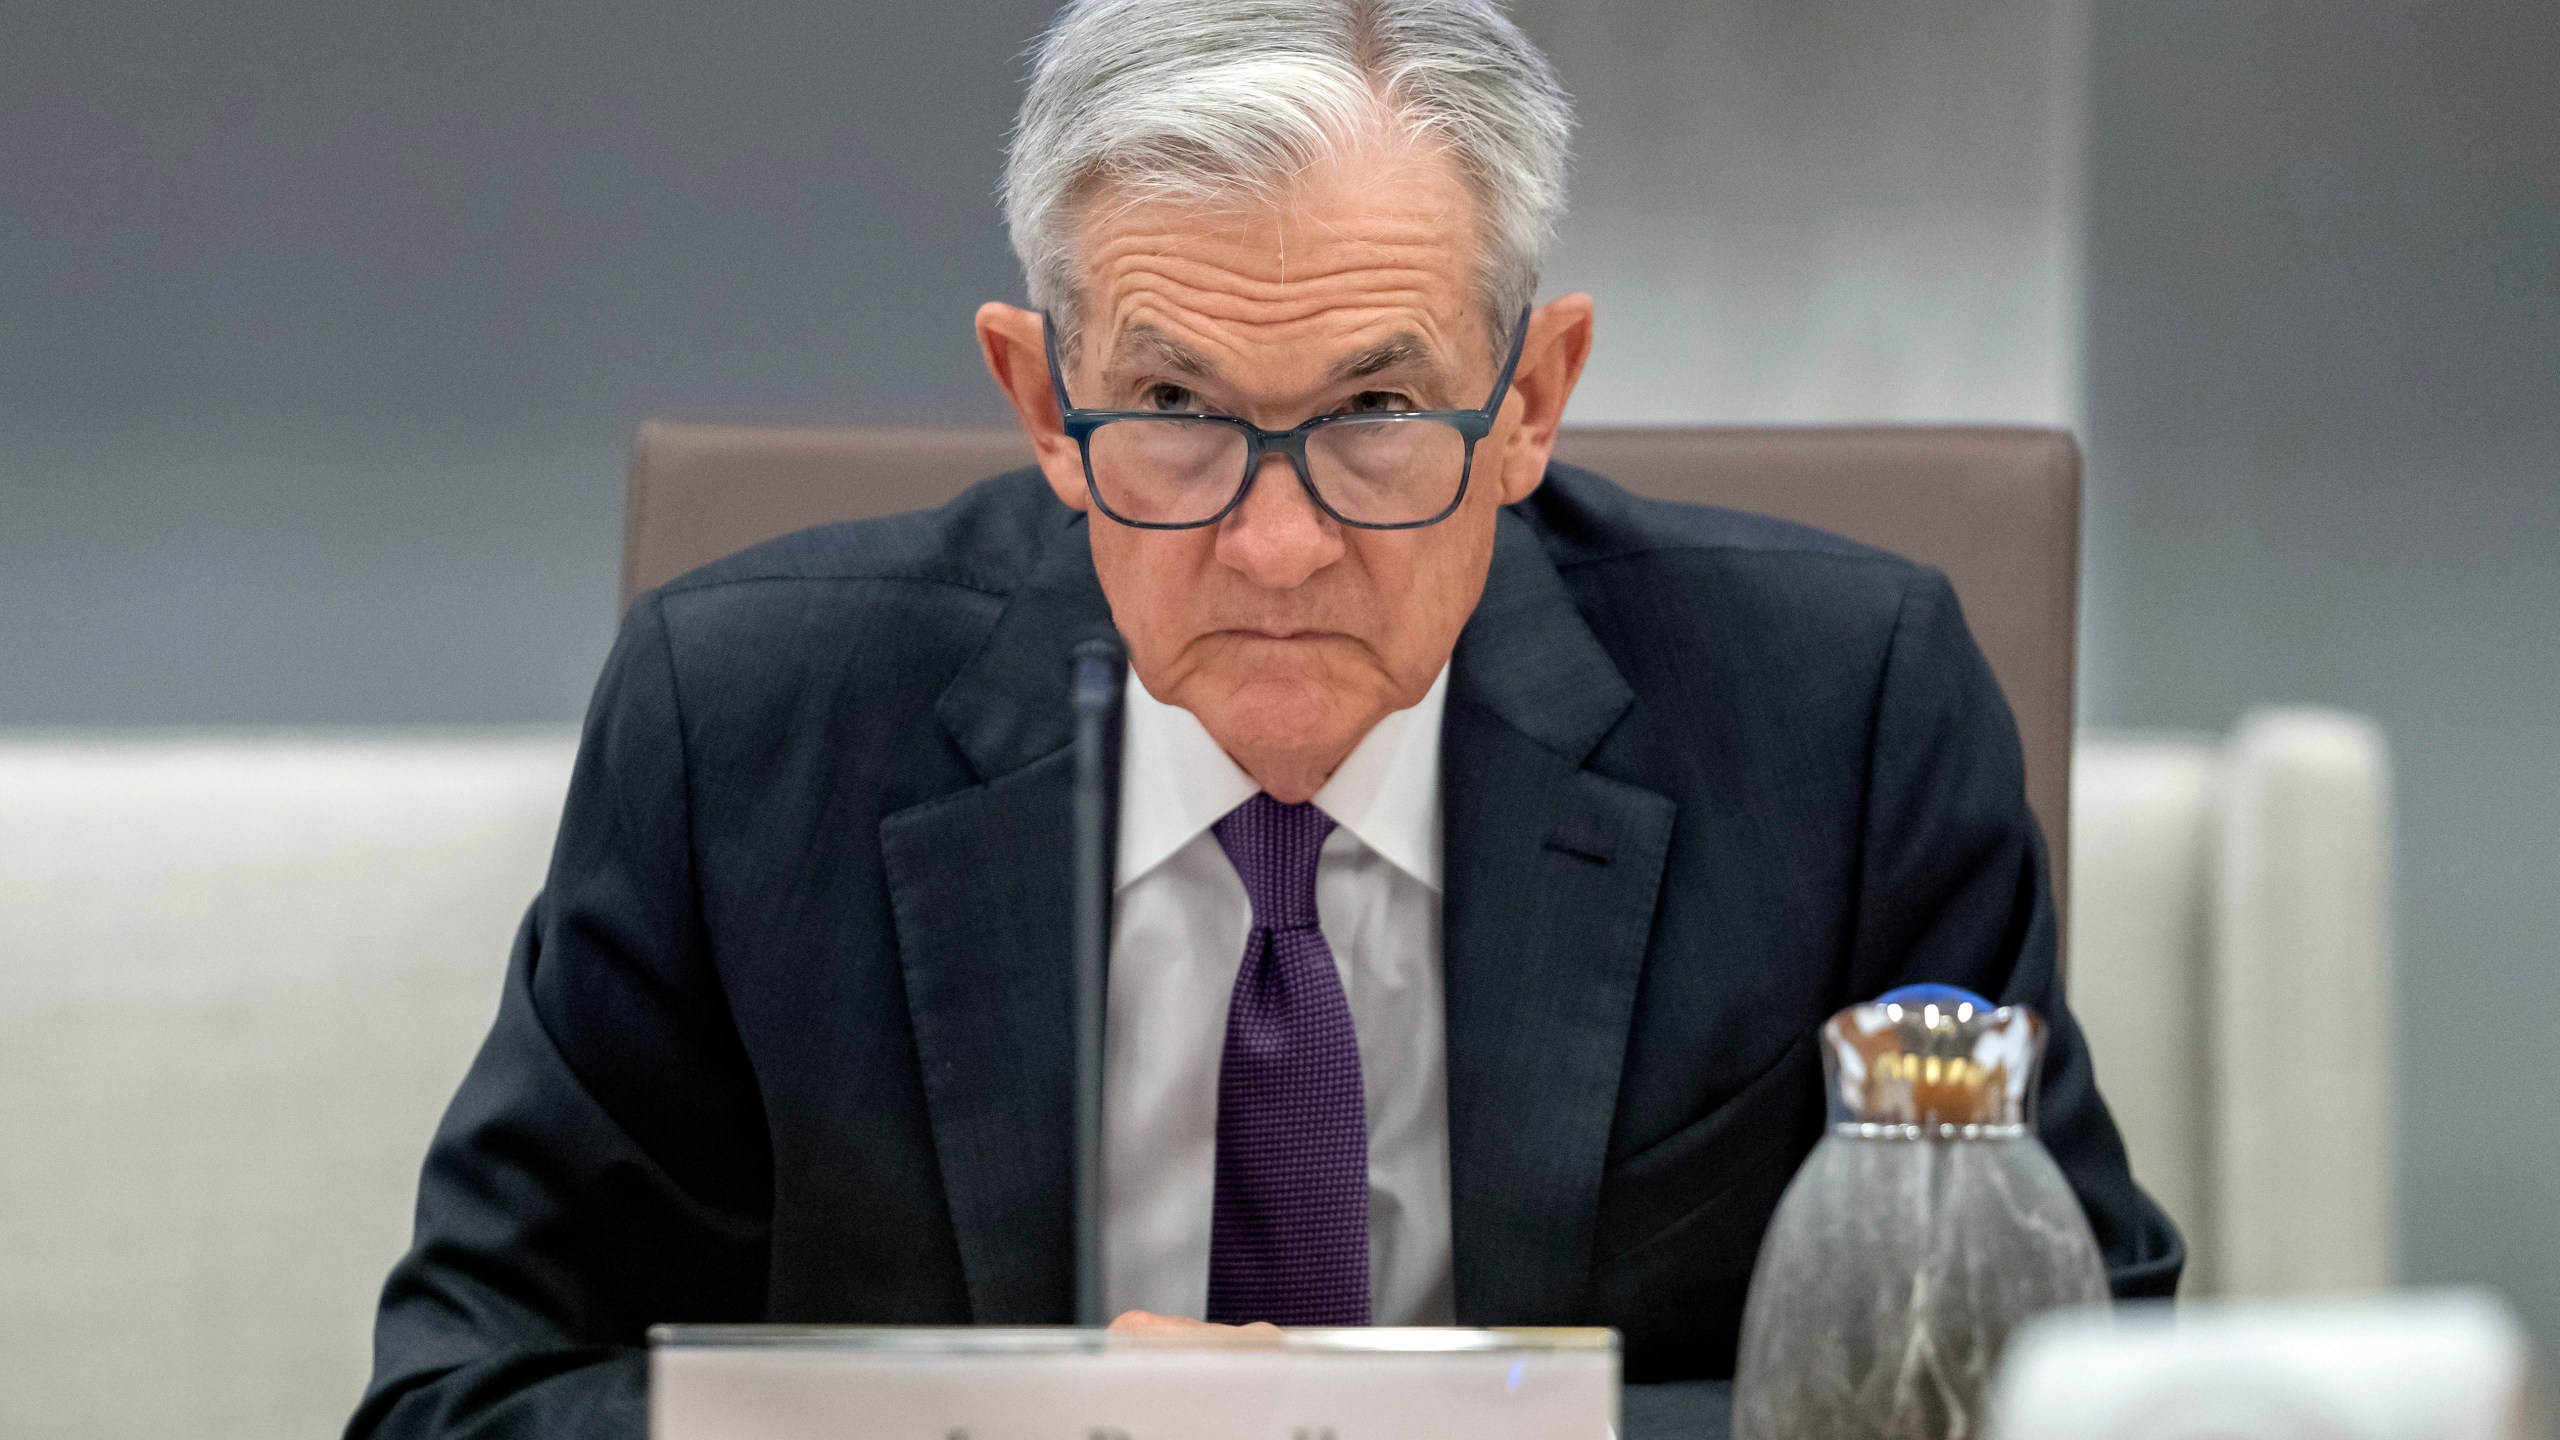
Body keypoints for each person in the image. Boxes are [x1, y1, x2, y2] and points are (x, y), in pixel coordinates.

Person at [350, 1, 2181, 1435]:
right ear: (1041, 402)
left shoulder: (1838, 721)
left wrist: (1402, 1433)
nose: (1279, 542)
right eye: (1173, 405)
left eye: (1381, 407)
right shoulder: (741, 729)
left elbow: (2064, 1383)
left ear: (1534, 400)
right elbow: (466, 1388)